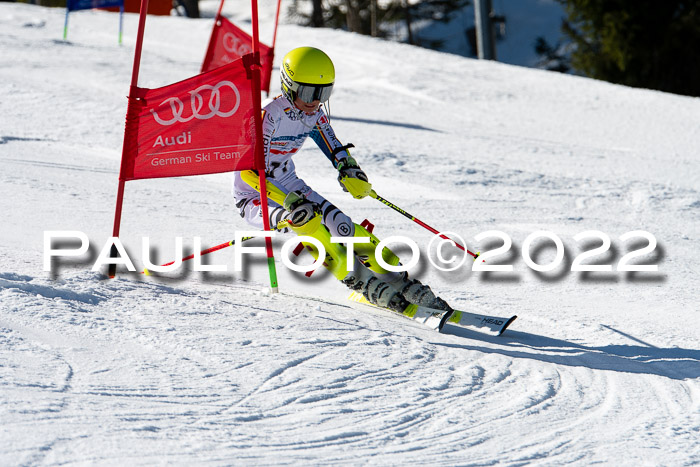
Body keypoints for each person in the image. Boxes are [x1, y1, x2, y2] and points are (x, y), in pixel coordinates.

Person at [234, 46, 451, 314]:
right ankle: (362, 282)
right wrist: (288, 202)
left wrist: (349, 168)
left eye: (323, 93)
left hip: (290, 185)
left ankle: (401, 281)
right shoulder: (268, 116)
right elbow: (249, 172)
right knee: (310, 224)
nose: (315, 101)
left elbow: (334, 147)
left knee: (343, 226)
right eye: (308, 92)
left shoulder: (313, 114)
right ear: (289, 85)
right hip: (256, 198)